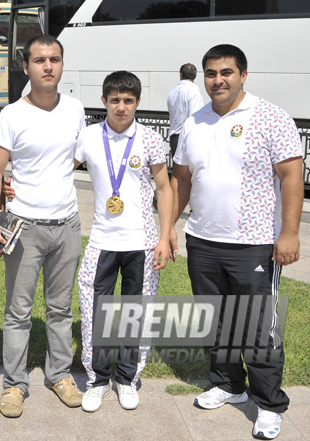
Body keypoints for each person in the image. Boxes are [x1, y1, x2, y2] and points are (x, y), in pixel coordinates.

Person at [170, 44, 303, 440]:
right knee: (215, 322)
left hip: (255, 244)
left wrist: (290, 233)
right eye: (211, 73)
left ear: (243, 75)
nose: (218, 80)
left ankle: (269, 404)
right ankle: (228, 385)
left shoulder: (270, 117)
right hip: (203, 241)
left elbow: (291, 176)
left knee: (259, 328)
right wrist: (168, 229)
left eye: (226, 72)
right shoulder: (194, 121)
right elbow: (182, 180)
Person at [0, 34, 84, 418]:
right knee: (18, 312)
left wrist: (47, 180)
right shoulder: (12, 114)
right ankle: (14, 384)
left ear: (61, 64)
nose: (47, 66)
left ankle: (60, 375)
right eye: (39, 60)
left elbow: (74, 157)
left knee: (60, 310)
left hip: (67, 225)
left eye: (54, 59)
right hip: (24, 228)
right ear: (26, 67)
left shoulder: (74, 109)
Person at [75, 71, 173, 412]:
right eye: (114, 100)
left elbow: (164, 188)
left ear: (137, 102)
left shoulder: (149, 139)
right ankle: (98, 380)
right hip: (101, 240)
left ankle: (127, 378)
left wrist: (165, 236)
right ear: (103, 101)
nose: (121, 107)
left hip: (141, 243)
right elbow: (57, 172)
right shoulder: (87, 137)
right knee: (95, 312)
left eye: (128, 100)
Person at [166, 63, 204, 159]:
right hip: (188, 136)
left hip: (174, 136)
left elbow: (171, 112)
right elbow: (195, 117)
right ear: (195, 76)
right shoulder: (194, 91)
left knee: (178, 171)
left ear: (180, 74)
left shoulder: (172, 92)